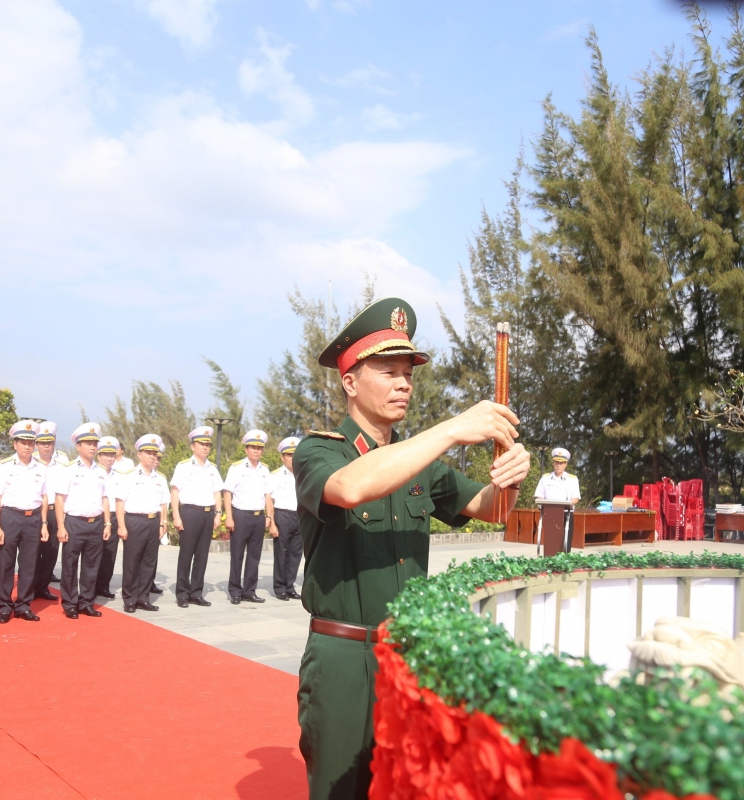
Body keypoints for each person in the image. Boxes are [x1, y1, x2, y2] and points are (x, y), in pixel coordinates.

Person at [293, 297, 530, 799]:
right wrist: (450, 430)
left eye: (408, 372)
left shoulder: (419, 463)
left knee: (405, 786)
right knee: (341, 790)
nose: (404, 382)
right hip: (344, 658)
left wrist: (511, 473)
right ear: (350, 381)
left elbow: (491, 509)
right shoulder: (320, 450)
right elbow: (352, 488)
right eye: (388, 370)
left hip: (407, 654)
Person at [0, 420, 50, 623]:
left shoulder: (40, 468)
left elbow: (44, 497)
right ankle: (4, 606)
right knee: (6, 563)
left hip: (32, 518)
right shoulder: (3, 466)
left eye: (30, 442)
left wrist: (43, 524)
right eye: (23, 442)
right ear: (14, 443)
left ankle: (24, 604)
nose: (27, 446)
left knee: (29, 564)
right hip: (10, 517)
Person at [52, 424, 111, 619]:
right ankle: (70, 602)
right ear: (78, 446)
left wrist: (107, 523)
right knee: (70, 564)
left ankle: (86, 602)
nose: (93, 447)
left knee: (92, 565)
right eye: (88, 443)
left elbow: (105, 498)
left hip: (95, 523)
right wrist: (61, 526)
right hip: (75, 522)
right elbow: (59, 498)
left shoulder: (101, 471)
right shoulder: (68, 469)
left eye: (95, 443)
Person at [114, 434, 170, 613]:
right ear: (139, 454)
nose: (152, 456)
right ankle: (130, 599)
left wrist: (162, 523)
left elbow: (163, 504)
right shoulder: (129, 476)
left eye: (155, 453)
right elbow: (120, 502)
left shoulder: (160, 478)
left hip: (153, 521)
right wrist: (121, 526)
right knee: (132, 561)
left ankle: (143, 598)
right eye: (148, 453)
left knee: (149, 562)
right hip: (134, 521)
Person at [170, 426, 224, 608]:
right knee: (186, 555)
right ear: (193, 446)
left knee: (202, 556)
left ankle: (196, 592)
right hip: (190, 513)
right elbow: (175, 492)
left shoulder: (212, 468)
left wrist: (218, 514)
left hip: (208, 514)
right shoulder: (183, 466)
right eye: (201, 444)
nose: (205, 447)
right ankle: (182, 594)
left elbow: (217, 493)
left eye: (208, 444)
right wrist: (176, 516)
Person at [224, 429, 271, 605]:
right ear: (246, 449)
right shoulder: (236, 468)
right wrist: (229, 516)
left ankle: (250, 591)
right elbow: (227, 492)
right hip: (241, 515)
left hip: (258, 516)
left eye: (259, 448)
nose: (256, 451)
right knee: (237, 555)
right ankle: (235, 590)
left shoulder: (265, 470)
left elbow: (268, 495)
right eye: (253, 447)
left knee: (254, 555)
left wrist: (269, 516)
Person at [32, 421, 69, 601]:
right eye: (42, 442)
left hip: (55, 511)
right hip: (35, 511)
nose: (45, 446)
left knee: (51, 551)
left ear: (54, 442)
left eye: (49, 442)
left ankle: (43, 586)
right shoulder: (29, 460)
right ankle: (29, 586)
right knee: (31, 550)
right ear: (36, 443)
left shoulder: (63, 461)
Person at [266, 436, 302, 601]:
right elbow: (269, 500)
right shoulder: (276, 475)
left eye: (295, 454)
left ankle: (290, 586)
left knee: (295, 554)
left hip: (300, 516)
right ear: (282, 457)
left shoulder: (303, 474)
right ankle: (280, 587)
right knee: (282, 553)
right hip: (283, 515)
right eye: (289, 455)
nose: (292, 458)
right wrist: (272, 522)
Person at [94, 436, 128, 599]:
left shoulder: (120, 475)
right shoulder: (93, 472)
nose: (108, 458)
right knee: (93, 554)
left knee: (109, 554)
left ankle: (103, 586)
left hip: (114, 517)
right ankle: (90, 586)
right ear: (98, 456)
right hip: (96, 517)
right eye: (105, 455)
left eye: (112, 455)